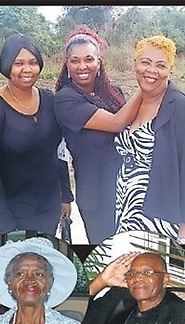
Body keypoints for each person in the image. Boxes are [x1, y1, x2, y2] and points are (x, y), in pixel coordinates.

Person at [54, 26, 143, 245]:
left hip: (129, 191)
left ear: (99, 61)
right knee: (108, 254)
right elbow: (116, 123)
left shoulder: (114, 94)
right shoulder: (66, 100)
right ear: (67, 64)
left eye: (89, 59)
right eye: (75, 60)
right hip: (97, 196)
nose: (82, 66)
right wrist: (147, 85)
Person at [0, 34, 73, 236]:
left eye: (32, 62)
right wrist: (3, 224)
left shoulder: (49, 100)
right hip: (14, 214)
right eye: (18, 63)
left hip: (50, 207)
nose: (27, 69)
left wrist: (66, 196)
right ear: (6, 66)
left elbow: (59, 151)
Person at [114, 35, 185, 243]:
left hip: (163, 220)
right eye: (145, 62)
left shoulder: (183, 109)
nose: (151, 70)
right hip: (127, 209)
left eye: (160, 65)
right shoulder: (134, 104)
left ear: (170, 70)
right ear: (135, 64)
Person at [84, 252, 185, 324]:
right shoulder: (116, 298)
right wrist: (101, 281)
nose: (138, 278)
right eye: (132, 274)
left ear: (165, 280)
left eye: (147, 272)